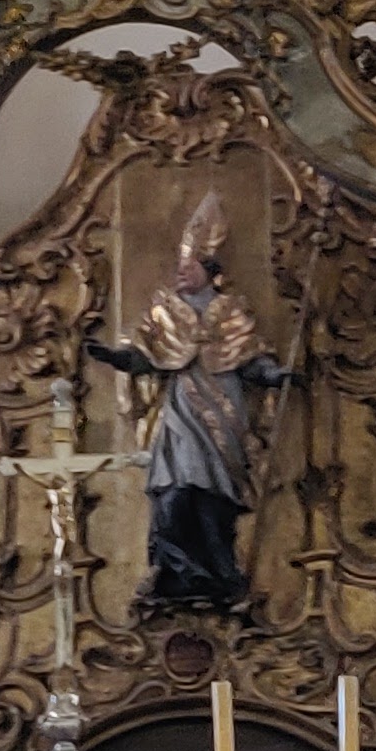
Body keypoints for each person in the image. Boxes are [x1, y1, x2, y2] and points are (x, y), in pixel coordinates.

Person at [97, 194, 289, 617]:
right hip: (181, 408)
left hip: (224, 409)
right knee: (175, 488)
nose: (181, 271)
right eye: (179, 266)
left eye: (191, 265)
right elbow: (145, 354)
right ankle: (172, 570)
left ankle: (220, 572)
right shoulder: (164, 310)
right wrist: (116, 358)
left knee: (215, 492)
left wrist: (273, 374)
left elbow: (252, 356)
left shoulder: (231, 310)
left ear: (211, 270)